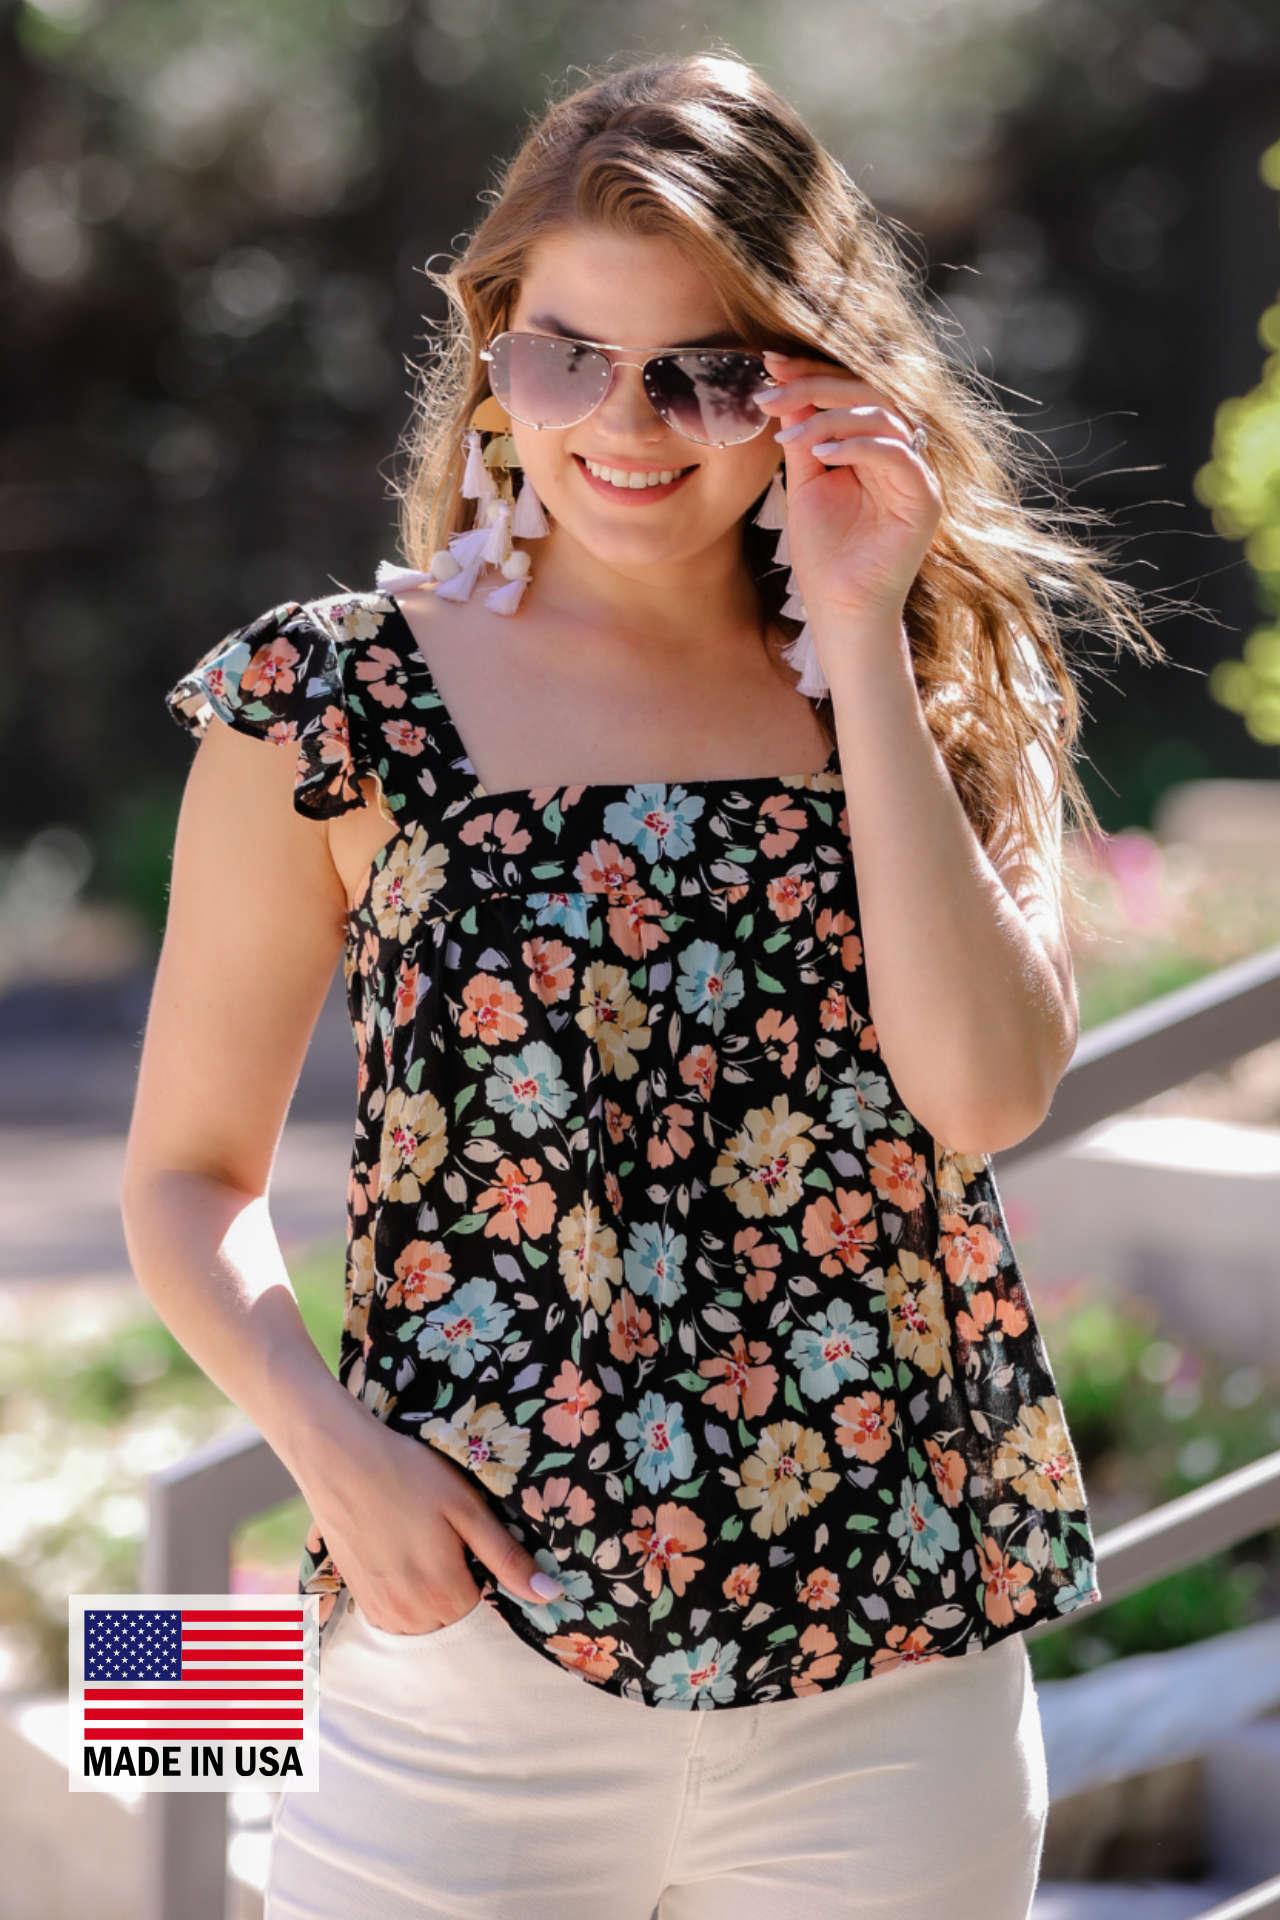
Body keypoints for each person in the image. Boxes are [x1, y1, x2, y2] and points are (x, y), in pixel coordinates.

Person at [123, 52, 1144, 1920]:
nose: (629, 421)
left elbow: (985, 1095)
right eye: (567, 353)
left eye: (707, 367)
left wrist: (856, 627)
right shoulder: (333, 703)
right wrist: (327, 1455)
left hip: (894, 1668)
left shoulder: (940, 683)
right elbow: (184, 1177)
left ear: (812, 377)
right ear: (496, 351)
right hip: (469, 1667)